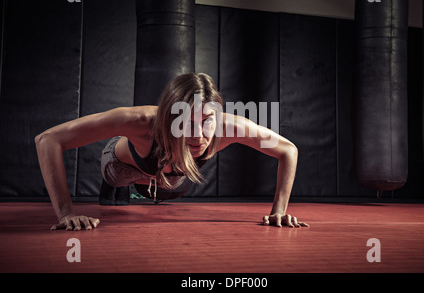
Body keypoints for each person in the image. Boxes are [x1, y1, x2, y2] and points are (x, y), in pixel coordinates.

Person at [35, 73, 309, 230]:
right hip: (122, 167)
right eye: (187, 123)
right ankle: (113, 188)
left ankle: (150, 186)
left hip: (172, 179)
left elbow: (288, 149)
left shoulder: (228, 127)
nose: (198, 136)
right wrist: (66, 213)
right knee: (117, 179)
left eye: (206, 122)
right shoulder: (141, 121)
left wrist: (279, 211)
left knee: (177, 188)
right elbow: (48, 140)